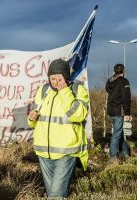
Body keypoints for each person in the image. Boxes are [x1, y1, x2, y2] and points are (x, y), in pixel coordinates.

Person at [27, 58, 89, 198]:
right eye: (52, 78)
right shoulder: (43, 90)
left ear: (65, 77)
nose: (55, 82)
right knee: (52, 195)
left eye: (58, 78)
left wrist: (63, 90)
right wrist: (31, 118)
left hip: (66, 152)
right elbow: (33, 121)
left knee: (56, 195)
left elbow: (78, 115)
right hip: (43, 152)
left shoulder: (77, 89)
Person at [105, 63, 131, 163]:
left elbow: (107, 89)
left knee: (119, 132)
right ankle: (113, 156)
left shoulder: (109, 80)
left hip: (110, 111)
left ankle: (125, 152)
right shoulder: (124, 81)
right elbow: (126, 98)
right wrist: (127, 113)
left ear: (115, 71)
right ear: (123, 71)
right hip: (118, 111)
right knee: (116, 134)